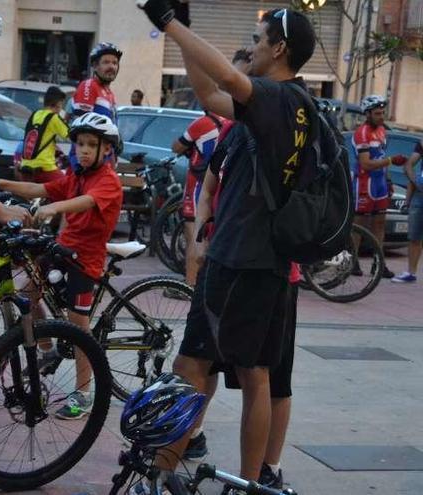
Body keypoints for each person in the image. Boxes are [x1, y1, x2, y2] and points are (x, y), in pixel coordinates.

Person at [136, 1, 317, 489]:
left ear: (279, 49)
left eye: (259, 41)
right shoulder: (281, 108)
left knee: (242, 373)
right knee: (203, 366)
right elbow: (206, 90)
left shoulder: (283, 100)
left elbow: (223, 78)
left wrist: (170, 23)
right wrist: (184, 30)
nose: (253, 47)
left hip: (249, 262)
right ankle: (168, 471)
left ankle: (245, 480)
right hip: (240, 259)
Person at [0, 112, 123, 420]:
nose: (85, 150)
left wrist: (54, 208)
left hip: (85, 260)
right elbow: (40, 190)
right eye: (80, 144)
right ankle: (48, 347)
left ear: (107, 150)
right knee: (27, 297)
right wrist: (2, 183)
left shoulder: (107, 181)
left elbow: (86, 202)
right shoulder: (76, 176)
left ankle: (83, 391)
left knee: (79, 327)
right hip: (61, 250)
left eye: (93, 144)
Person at [352, 94, 407, 279]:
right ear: (367, 114)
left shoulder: (382, 131)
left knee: (380, 223)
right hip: (364, 184)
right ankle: (353, 262)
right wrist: (391, 160)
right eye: (377, 113)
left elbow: (381, 156)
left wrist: (389, 180)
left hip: (380, 183)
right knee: (359, 224)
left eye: (383, 113)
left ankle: (379, 264)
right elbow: (366, 163)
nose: (381, 117)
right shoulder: (362, 132)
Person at [171, 111, 224, 287]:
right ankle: (205, 283)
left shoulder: (202, 123)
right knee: (208, 235)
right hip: (218, 184)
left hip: (198, 184)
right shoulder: (228, 122)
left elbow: (176, 147)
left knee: (193, 233)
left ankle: (190, 284)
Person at [16, 85, 69, 183]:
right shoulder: (53, 118)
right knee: (67, 186)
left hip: (25, 166)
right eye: (62, 104)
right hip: (45, 167)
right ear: (58, 103)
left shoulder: (35, 114)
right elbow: (71, 135)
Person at [394, 139, 423, 283]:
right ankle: (411, 273)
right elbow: (409, 165)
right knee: (414, 236)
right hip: (420, 194)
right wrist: (416, 182)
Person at [72, 42, 120, 121]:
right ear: (95, 66)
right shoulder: (89, 86)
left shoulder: (109, 93)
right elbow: (81, 126)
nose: (111, 67)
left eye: (115, 63)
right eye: (106, 62)